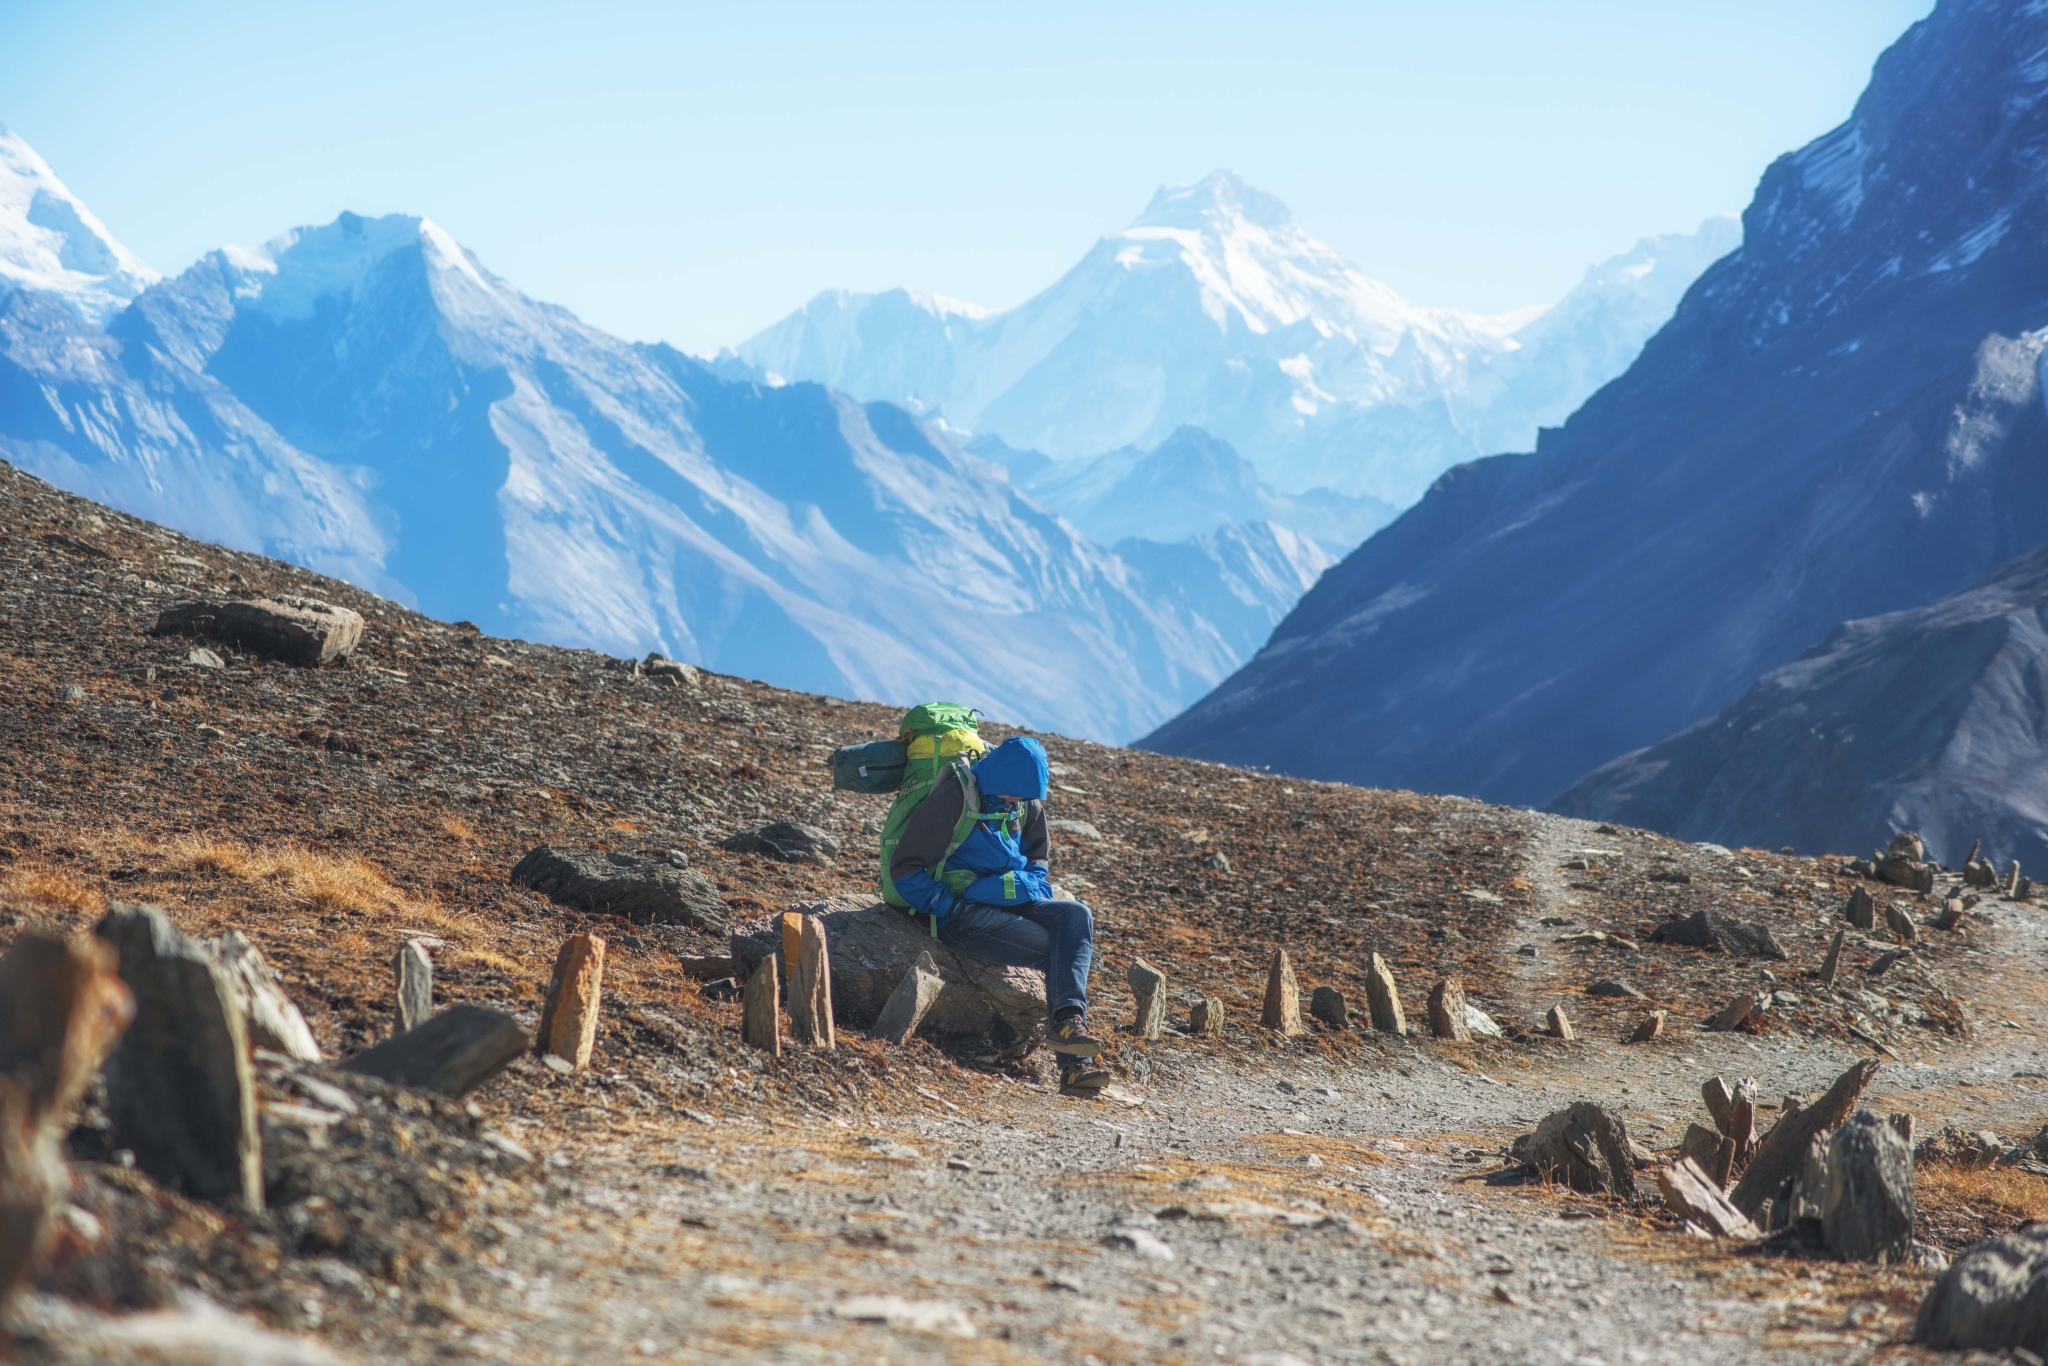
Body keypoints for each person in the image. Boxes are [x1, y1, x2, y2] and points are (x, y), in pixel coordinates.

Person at [887, 735, 1110, 1096]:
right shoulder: (953, 800)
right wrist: (953, 906)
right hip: (963, 915)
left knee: (1076, 916)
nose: (1017, 803)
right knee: (1058, 949)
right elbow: (905, 869)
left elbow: (1038, 856)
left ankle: (1070, 1027)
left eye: (1023, 798)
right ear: (998, 779)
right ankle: (1075, 1067)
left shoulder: (1025, 800)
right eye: (1013, 796)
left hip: (1013, 900)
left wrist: (1032, 883)